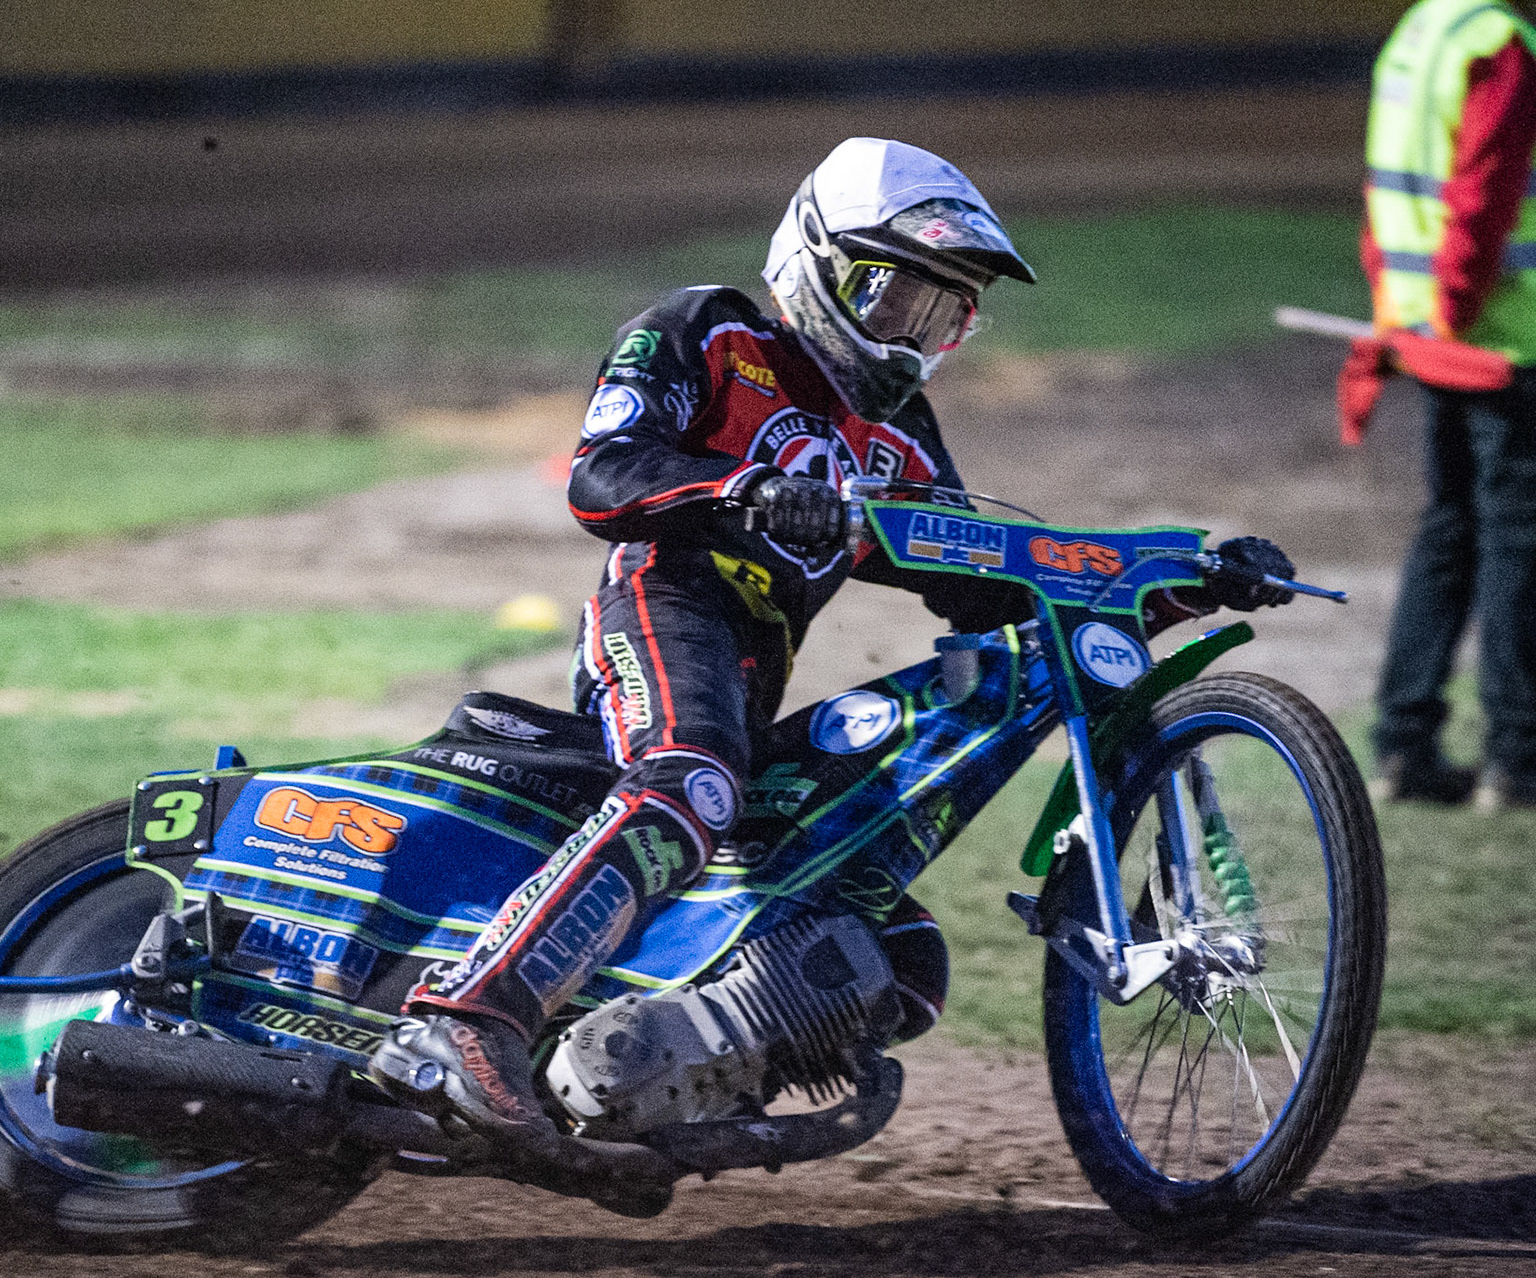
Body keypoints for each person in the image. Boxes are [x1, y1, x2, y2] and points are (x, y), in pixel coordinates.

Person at [369, 137, 1292, 1152]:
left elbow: (982, 592)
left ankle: (640, 1074)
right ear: (815, 260)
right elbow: (602, 477)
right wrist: (744, 490)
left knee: (895, 949)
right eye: (894, 296)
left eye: (945, 313)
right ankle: (470, 1018)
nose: (914, 334)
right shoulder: (708, 332)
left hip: (754, 686)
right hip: (665, 605)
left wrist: (1166, 588)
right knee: (690, 779)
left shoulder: (900, 432)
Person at [1362, 0, 1536, 811]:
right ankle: (1517, 757)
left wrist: (1414, 319)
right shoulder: (1498, 43)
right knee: (1515, 540)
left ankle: (1404, 745)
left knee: (1450, 529)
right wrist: (1461, 312)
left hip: (1430, 325)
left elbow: (1384, 189)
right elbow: (1487, 190)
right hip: (1503, 337)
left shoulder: (1424, 30)